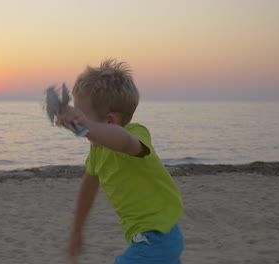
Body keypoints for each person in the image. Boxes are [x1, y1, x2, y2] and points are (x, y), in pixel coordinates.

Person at [57, 59, 184, 264]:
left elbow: (123, 141)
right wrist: (77, 229)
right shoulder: (97, 150)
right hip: (147, 239)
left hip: (158, 238)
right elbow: (89, 185)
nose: (77, 125)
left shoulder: (135, 134)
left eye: (82, 116)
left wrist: (86, 125)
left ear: (110, 121)